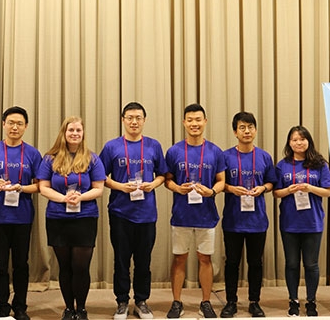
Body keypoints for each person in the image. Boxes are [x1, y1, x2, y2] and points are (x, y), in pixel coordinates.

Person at [99, 102, 168, 320]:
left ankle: (141, 301)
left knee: (143, 260)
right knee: (121, 260)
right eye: (130, 117)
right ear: (123, 120)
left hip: (146, 213)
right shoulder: (112, 147)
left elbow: (163, 175)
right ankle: (121, 301)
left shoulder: (153, 146)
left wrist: (152, 185)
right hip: (120, 212)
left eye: (138, 117)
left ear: (144, 120)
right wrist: (120, 186)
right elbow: (100, 177)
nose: (134, 122)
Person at [0, 106, 42, 320]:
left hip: (22, 217)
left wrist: (21, 188)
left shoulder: (32, 153)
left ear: (26, 127)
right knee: (0, 264)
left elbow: (40, 186)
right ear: (3, 124)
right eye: (11, 123)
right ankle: (2, 307)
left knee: (21, 264)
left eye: (19, 123)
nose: (15, 127)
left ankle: (20, 307)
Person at [37, 116, 106, 320]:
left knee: (81, 267)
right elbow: (43, 187)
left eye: (78, 130)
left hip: (85, 218)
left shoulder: (92, 158)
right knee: (64, 266)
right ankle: (69, 308)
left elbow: (99, 188)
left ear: (83, 133)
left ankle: (81, 309)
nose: (74, 134)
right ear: (64, 133)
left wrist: (80, 197)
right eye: (71, 130)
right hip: (58, 218)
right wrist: (64, 198)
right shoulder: (50, 158)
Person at [165, 103, 226, 319]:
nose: (194, 124)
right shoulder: (173, 151)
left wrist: (211, 192)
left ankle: (206, 302)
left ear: (205, 121)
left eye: (198, 119)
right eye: (190, 120)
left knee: (205, 259)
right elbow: (167, 180)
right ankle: (176, 302)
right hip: (181, 215)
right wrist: (176, 188)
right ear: (184, 122)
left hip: (206, 215)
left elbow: (221, 181)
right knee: (179, 259)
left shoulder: (215, 151)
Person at [220, 112, 277, 318]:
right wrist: (230, 188)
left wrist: (263, 188)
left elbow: (272, 182)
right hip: (233, 220)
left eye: (250, 127)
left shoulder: (264, 156)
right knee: (232, 262)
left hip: (257, 221)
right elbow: (218, 183)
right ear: (235, 131)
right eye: (242, 127)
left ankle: (254, 301)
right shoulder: (225, 156)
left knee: (255, 263)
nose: (247, 131)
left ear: (255, 130)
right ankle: (231, 302)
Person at [273, 126, 330, 317]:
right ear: (289, 143)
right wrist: (289, 190)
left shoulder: (320, 164)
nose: (298, 143)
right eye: (294, 140)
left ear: (308, 141)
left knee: (311, 264)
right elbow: (276, 192)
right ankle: (293, 300)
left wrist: (310, 188)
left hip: (312, 222)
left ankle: (311, 301)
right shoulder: (282, 165)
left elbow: (328, 191)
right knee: (291, 263)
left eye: (302, 139)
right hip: (289, 223)